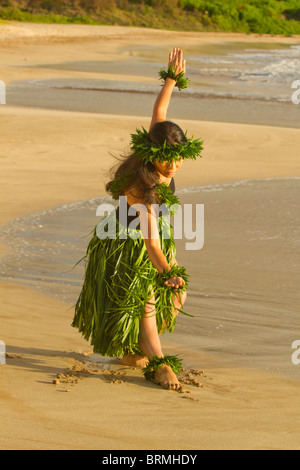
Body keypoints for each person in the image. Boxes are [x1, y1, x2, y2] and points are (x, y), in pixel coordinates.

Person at [72, 48, 203, 391]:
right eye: (167, 161)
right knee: (144, 295)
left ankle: (133, 351)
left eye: (179, 159)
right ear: (153, 154)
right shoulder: (140, 187)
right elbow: (151, 245)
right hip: (123, 241)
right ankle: (160, 365)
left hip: (154, 230)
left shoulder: (157, 145)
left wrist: (172, 79)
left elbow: (159, 112)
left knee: (178, 297)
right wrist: (168, 271)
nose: (173, 167)